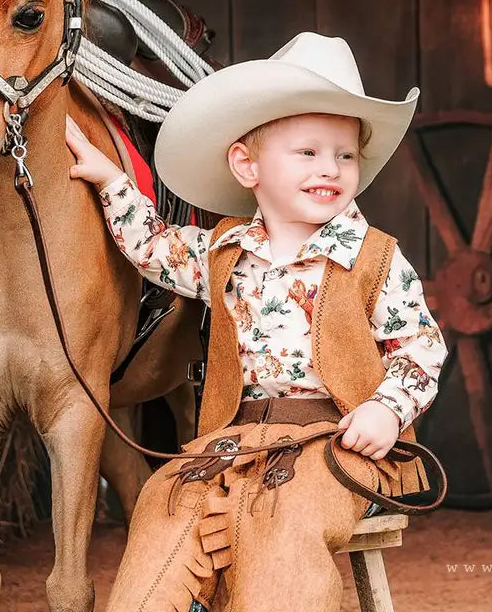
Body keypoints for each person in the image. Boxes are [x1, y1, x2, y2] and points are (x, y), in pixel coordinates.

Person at [64, 31, 447, 612]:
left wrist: (386, 409)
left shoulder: (372, 256)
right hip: (235, 438)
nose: (331, 169)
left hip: (337, 440)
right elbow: (156, 250)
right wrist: (111, 181)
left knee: (281, 517)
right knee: (167, 498)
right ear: (247, 165)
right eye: (308, 152)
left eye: (345, 155)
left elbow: (420, 345)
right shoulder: (225, 251)